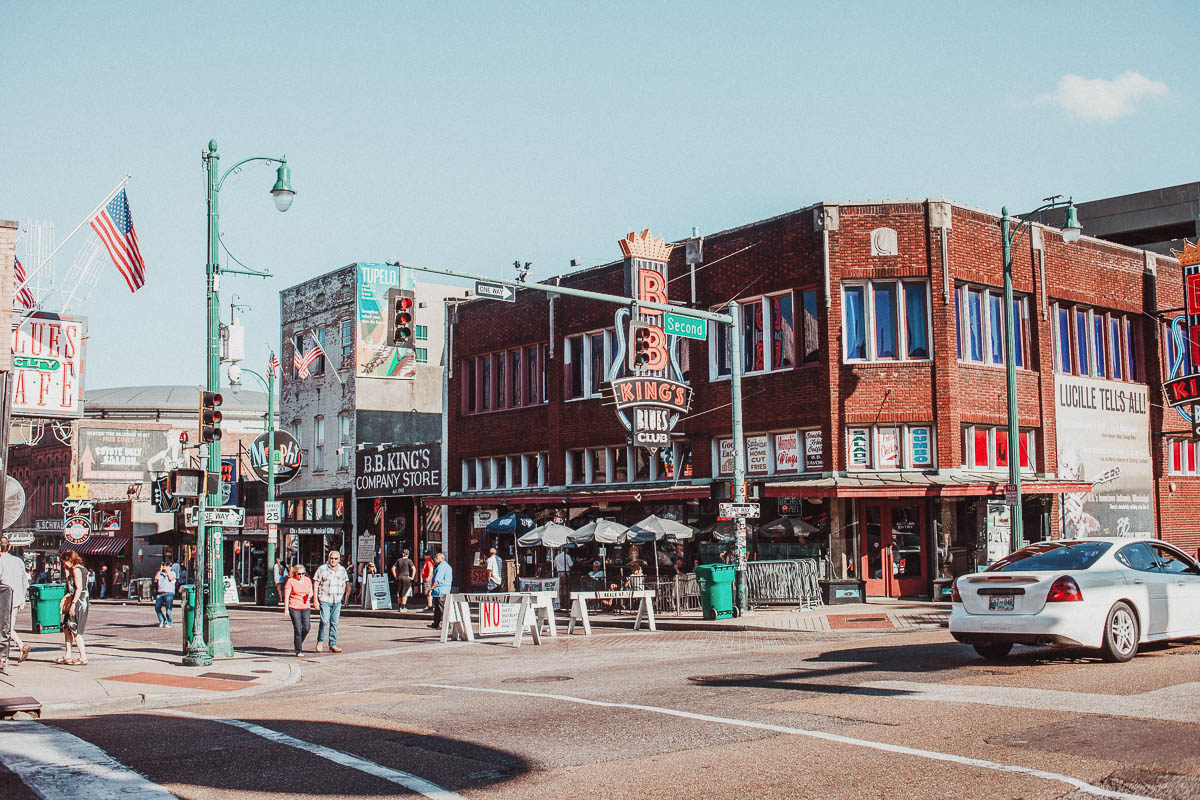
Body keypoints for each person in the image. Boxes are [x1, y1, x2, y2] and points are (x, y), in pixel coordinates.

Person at [0, 536, 31, 670]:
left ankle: (7, 655)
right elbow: (25, 580)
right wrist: (23, 598)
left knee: (5, 629)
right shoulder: (18, 561)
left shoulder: (0, 561)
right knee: (7, 628)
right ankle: (21, 646)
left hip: (4, 599)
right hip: (17, 598)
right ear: (10, 547)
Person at [313, 550, 350, 654]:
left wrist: (341, 595)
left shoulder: (342, 570)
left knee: (334, 623)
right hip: (325, 599)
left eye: (335, 559)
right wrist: (315, 599)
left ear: (339, 560)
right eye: (331, 558)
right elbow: (316, 583)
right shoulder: (322, 569)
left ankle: (332, 644)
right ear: (328, 558)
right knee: (324, 621)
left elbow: (344, 583)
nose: (333, 560)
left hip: (336, 600)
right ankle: (320, 641)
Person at [56, 550, 89, 666]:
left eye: (65, 561)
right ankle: (68, 655)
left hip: (78, 602)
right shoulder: (80, 569)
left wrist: (73, 604)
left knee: (76, 630)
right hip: (78, 601)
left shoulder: (76, 570)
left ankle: (83, 657)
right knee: (67, 628)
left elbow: (79, 588)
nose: (64, 564)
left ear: (70, 560)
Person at [282, 564, 316, 657]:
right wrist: (286, 609)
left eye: (303, 574)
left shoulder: (307, 580)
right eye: (299, 574)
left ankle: (298, 641)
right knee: (297, 628)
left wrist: (310, 595)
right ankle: (298, 650)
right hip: (294, 606)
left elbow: (311, 591)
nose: (301, 576)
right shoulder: (291, 581)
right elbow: (287, 596)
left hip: (305, 606)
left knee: (306, 627)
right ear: (295, 573)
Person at [427, 552, 452, 629]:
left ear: (441, 559)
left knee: (441, 608)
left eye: (437, 558)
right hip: (446, 589)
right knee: (439, 608)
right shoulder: (448, 566)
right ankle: (436, 623)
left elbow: (438, 580)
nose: (435, 559)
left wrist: (431, 588)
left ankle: (443, 623)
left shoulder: (441, 567)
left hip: (440, 590)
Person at [154, 561, 177, 627]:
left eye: (167, 566)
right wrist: (160, 570)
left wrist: (167, 572)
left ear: (170, 567)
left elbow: (171, 579)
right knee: (157, 607)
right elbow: (156, 578)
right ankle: (162, 620)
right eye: (165, 566)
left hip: (169, 593)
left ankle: (169, 622)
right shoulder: (160, 573)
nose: (165, 567)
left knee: (168, 609)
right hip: (160, 593)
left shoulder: (173, 573)